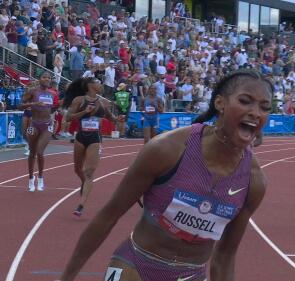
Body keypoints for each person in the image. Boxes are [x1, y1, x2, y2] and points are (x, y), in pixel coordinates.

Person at [58, 70, 273, 281]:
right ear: (220, 104)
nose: (256, 112)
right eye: (245, 101)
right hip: (137, 266)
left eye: (265, 108)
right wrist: (67, 277)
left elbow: (225, 256)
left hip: (192, 275)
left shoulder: (253, 182)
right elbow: (109, 215)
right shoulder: (167, 149)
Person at [62, 77, 119, 217]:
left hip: (94, 138)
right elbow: (68, 118)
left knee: (89, 172)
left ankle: (81, 205)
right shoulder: (79, 100)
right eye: (98, 83)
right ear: (90, 85)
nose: (101, 85)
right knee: (77, 169)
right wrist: (84, 112)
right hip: (81, 137)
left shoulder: (103, 102)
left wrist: (119, 119)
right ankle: (85, 183)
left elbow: (111, 118)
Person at [18, 72, 54, 192]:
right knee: (32, 153)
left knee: (40, 152)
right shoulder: (33, 92)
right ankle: (30, 179)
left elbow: (52, 108)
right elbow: (20, 106)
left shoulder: (52, 93)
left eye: (49, 77)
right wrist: (34, 103)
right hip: (34, 124)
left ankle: (41, 178)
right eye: (44, 77)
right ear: (40, 79)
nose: (47, 79)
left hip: (47, 125)